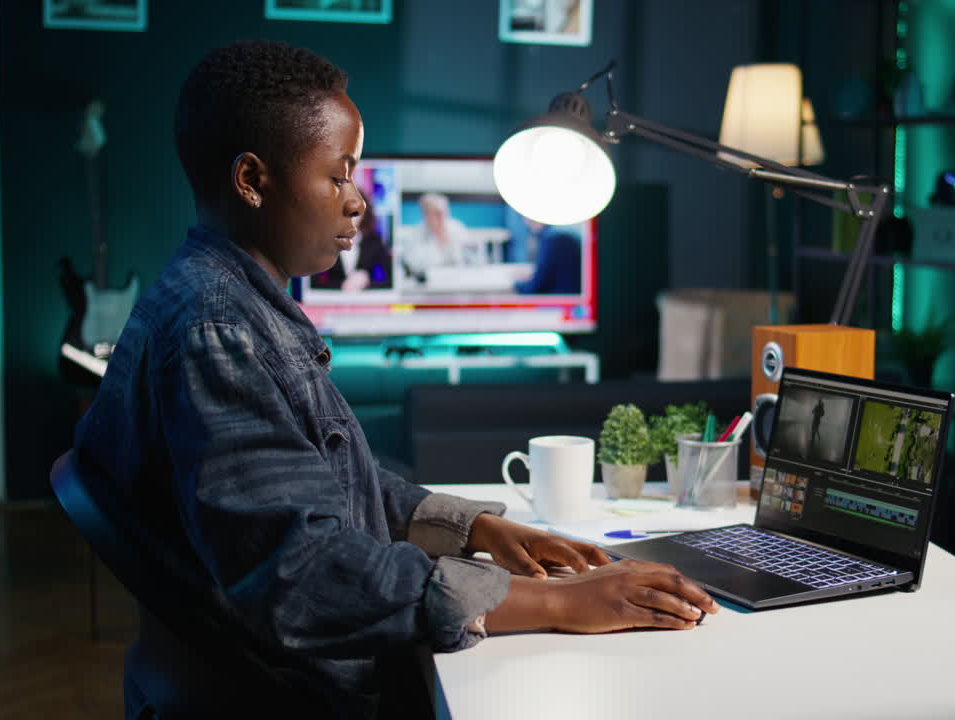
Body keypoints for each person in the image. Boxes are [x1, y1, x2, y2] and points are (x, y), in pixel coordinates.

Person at [72, 39, 716, 719]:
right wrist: (558, 601)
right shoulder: (220, 333)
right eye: (339, 175)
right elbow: (304, 574)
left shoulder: (229, 301)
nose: (357, 203)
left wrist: (473, 530)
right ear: (252, 180)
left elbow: (323, 482)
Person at [309, 195, 392, 291]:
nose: (351, 215)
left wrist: (367, 282)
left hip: (365, 301)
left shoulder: (374, 242)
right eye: (345, 209)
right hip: (333, 301)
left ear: (364, 213)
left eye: (356, 210)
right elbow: (312, 284)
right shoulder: (327, 241)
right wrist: (342, 286)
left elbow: (391, 280)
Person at [398, 192, 470, 281]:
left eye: (444, 212)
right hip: (428, 284)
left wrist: (445, 239)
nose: (442, 217)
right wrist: (439, 241)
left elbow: (467, 259)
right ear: (426, 214)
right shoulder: (415, 235)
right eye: (436, 213)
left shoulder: (458, 229)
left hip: (458, 281)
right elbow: (416, 266)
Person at [514, 218, 582, 295]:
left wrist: (517, 284)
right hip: (571, 298)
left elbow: (535, 287)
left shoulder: (552, 240)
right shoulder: (563, 235)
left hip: (561, 301)